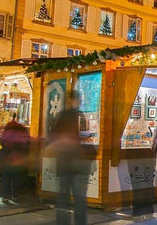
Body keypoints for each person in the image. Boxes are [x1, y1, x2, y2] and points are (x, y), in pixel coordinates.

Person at [49, 91, 96, 225]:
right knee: (80, 199)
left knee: (62, 199)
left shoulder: (59, 117)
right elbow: (87, 140)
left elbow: (52, 138)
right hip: (79, 165)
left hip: (63, 163)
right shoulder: (81, 117)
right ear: (77, 100)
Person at [0, 113, 30, 203]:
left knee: (6, 177)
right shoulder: (22, 130)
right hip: (18, 158)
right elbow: (26, 144)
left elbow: (2, 143)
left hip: (7, 157)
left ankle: (5, 196)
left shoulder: (8, 129)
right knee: (17, 177)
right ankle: (15, 195)